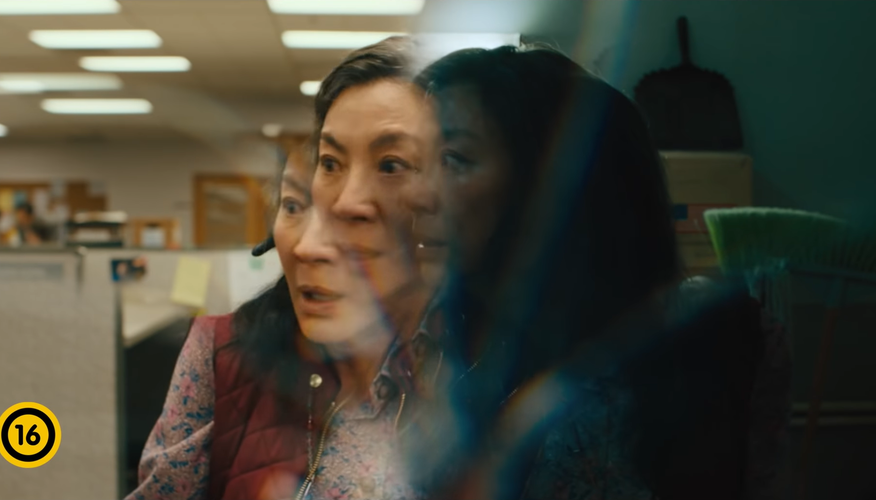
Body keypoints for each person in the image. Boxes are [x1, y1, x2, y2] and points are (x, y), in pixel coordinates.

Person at [402, 45, 791, 500]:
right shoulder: (431, 335)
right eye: (413, 163)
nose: (416, 194)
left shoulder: (715, 342)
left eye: (453, 159)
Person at [126, 41, 443, 499]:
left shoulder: (486, 372)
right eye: (330, 164)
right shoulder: (224, 354)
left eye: (391, 165)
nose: (345, 202)